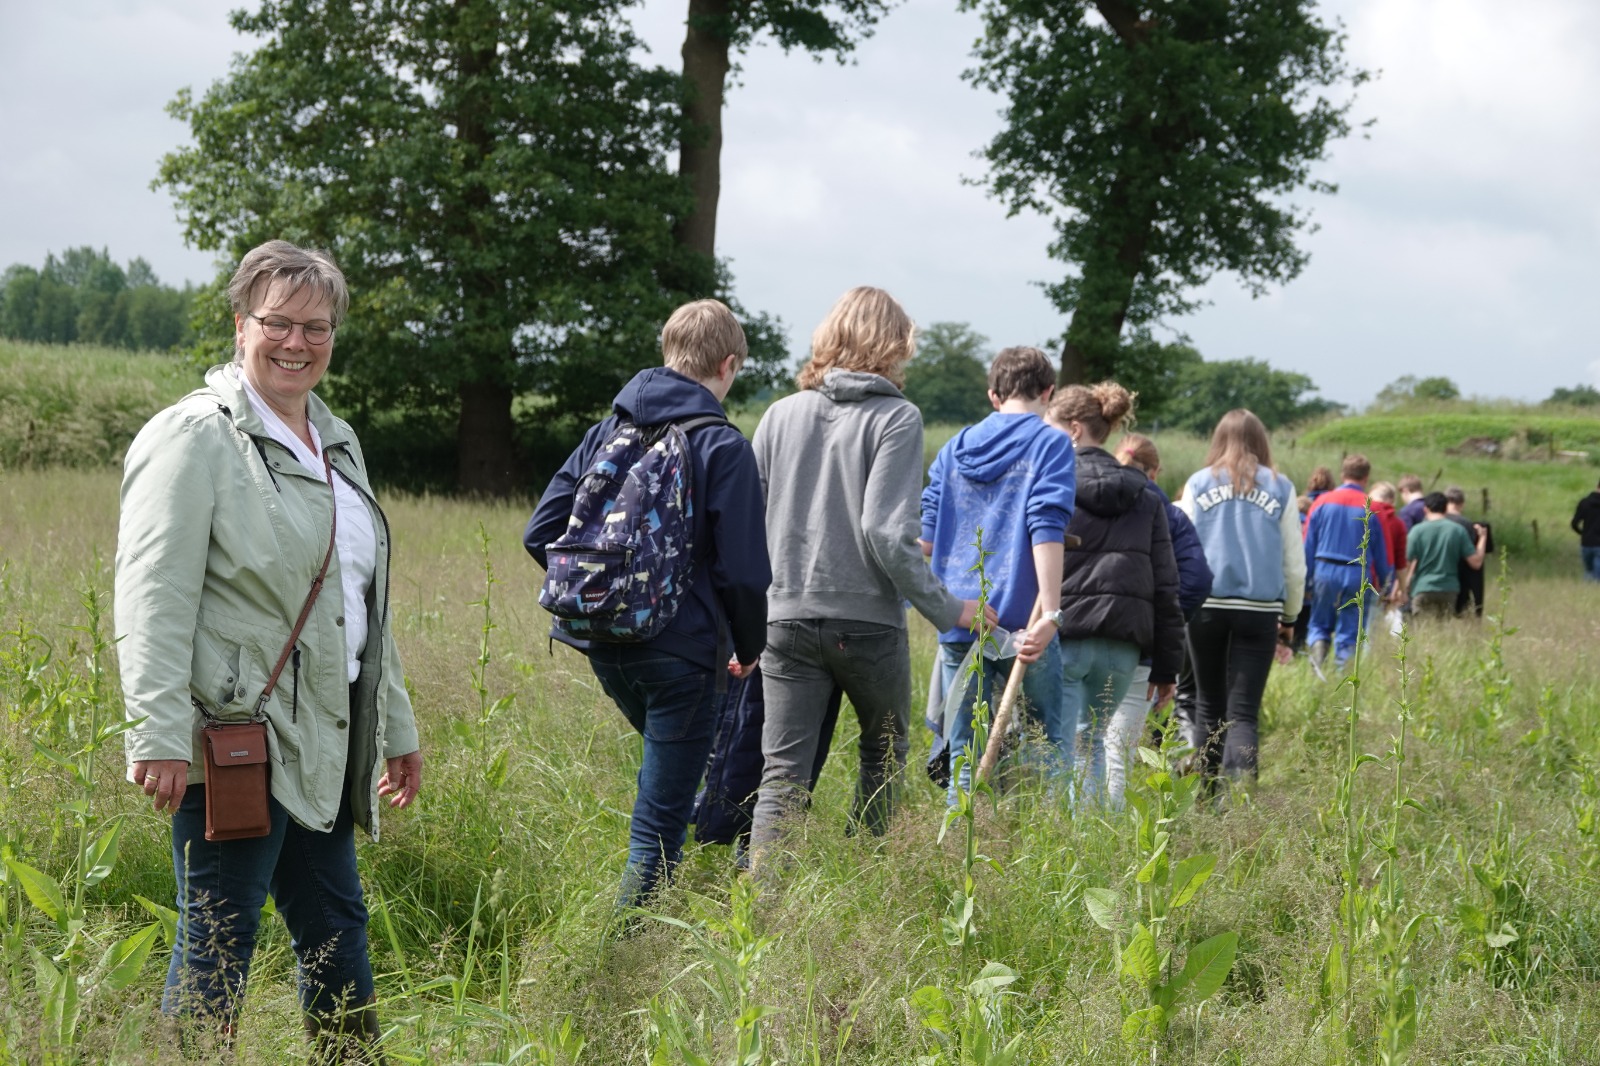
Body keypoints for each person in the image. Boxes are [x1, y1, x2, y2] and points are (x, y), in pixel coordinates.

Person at [116, 240, 421, 1058]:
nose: (297, 343)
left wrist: (396, 727)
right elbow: (153, 596)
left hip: (325, 737)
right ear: (240, 322)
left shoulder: (338, 440)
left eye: (316, 327)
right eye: (278, 323)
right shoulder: (193, 439)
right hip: (233, 742)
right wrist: (154, 735)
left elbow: (361, 599)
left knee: (336, 928)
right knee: (220, 941)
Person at [524, 299, 770, 910]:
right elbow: (744, 573)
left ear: (668, 353)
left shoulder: (607, 432)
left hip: (605, 649)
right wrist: (750, 647)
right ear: (728, 364)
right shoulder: (723, 445)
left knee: (668, 785)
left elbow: (541, 531)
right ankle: (622, 964)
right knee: (657, 828)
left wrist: (603, 597)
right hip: (686, 657)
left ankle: (666, 918)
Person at [749, 287, 987, 861]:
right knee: (883, 755)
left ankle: (760, 911)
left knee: (782, 776)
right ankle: (866, 877)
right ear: (893, 347)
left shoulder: (779, 414)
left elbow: (747, 523)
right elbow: (886, 533)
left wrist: (750, 613)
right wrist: (951, 610)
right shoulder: (898, 418)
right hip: (867, 623)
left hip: (783, 617)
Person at [920, 346, 1076, 803]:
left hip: (960, 616)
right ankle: (1044, 854)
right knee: (1046, 745)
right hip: (1024, 624)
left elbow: (925, 542)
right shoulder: (1051, 442)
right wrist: (1052, 613)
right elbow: (1046, 526)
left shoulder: (953, 449)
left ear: (993, 395)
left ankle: (961, 851)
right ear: (1049, 392)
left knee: (963, 756)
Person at [1045, 384, 1182, 808]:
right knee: (1095, 747)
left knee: (1058, 752)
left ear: (1071, 430)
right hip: (1124, 647)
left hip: (1066, 636)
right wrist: (1166, 668)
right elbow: (1166, 583)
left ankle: (1059, 855)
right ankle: (1095, 846)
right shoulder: (1146, 494)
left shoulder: (1053, 482)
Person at [1177, 409, 1304, 789]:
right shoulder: (1281, 487)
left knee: (1208, 706)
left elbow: (1183, 549)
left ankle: (1205, 797)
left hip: (1206, 607)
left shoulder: (1197, 484)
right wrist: (1292, 616)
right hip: (1259, 609)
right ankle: (1243, 800)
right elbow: (1293, 563)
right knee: (1244, 713)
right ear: (1261, 440)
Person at [1102, 433, 1212, 808]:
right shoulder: (1171, 516)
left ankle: (1072, 830)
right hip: (1140, 645)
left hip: (1079, 635)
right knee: (1120, 747)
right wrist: (1165, 621)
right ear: (1157, 471)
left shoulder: (1082, 499)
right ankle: (1107, 832)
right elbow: (1197, 579)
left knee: (1078, 743)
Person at [1303, 454, 1391, 677]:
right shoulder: (1371, 507)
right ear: (1367, 477)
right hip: (1356, 574)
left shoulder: (1321, 502)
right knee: (1350, 629)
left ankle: (1317, 668)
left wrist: (1305, 581)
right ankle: (1343, 677)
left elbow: (1308, 544)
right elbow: (1380, 552)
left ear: (1343, 475)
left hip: (1324, 568)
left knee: (1319, 623)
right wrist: (1385, 583)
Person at [1406, 492, 1487, 619]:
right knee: (1442, 631)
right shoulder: (1458, 530)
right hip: (1449, 588)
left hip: (1422, 587)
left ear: (1425, 509)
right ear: (1446, 508)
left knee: (1421, 630)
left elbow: (1407, 562)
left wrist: (1403, 588)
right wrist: (1482, 537)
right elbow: (1476, 563)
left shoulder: (1417, 531)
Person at [1444, 486, 1494, 616]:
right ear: (1462, 504)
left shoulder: (1433, 521)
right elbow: (1475, 561)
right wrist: (1482, 537)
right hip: (1460, 580)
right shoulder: (1465, 524)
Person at [1368, 481, 1410, 626]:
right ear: (1392, 500)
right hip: (1384, 582)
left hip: (1356, 575)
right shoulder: (1398, 524)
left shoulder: (1362, 516)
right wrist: (1402, 590)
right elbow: (1400, 562)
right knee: (1372, 626)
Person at [1572, 478, 1600, 581]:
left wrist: (1583, 533)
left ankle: (1585, 593)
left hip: (1586, 544)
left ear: (1597, 486)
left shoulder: (1584, 502)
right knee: (1598, 578)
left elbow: (1574, 523)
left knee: (1589, 572)